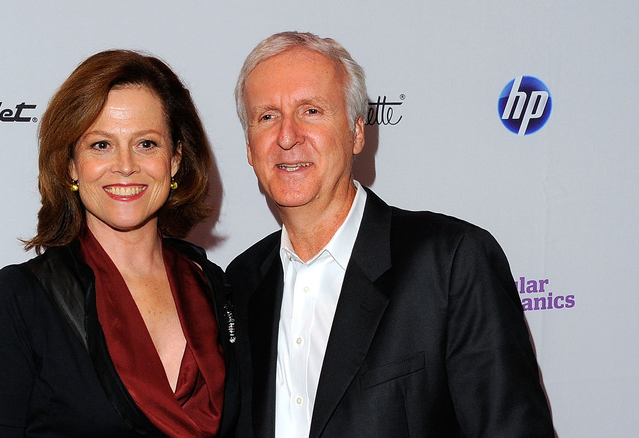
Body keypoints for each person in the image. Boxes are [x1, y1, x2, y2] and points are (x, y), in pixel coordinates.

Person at [227, 31, 555, 437]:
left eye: (311, 111)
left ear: (357, 133)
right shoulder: (240, 283)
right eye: (267, 116)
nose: (287, 136)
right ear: (248, 147)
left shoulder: (451, 263)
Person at [0, 50, 238, 437]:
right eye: (101, 144)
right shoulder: (20, 301)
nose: (124, 165)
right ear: (71, 164)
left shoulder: (216, 289)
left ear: (175, 160)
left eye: (147, 144)